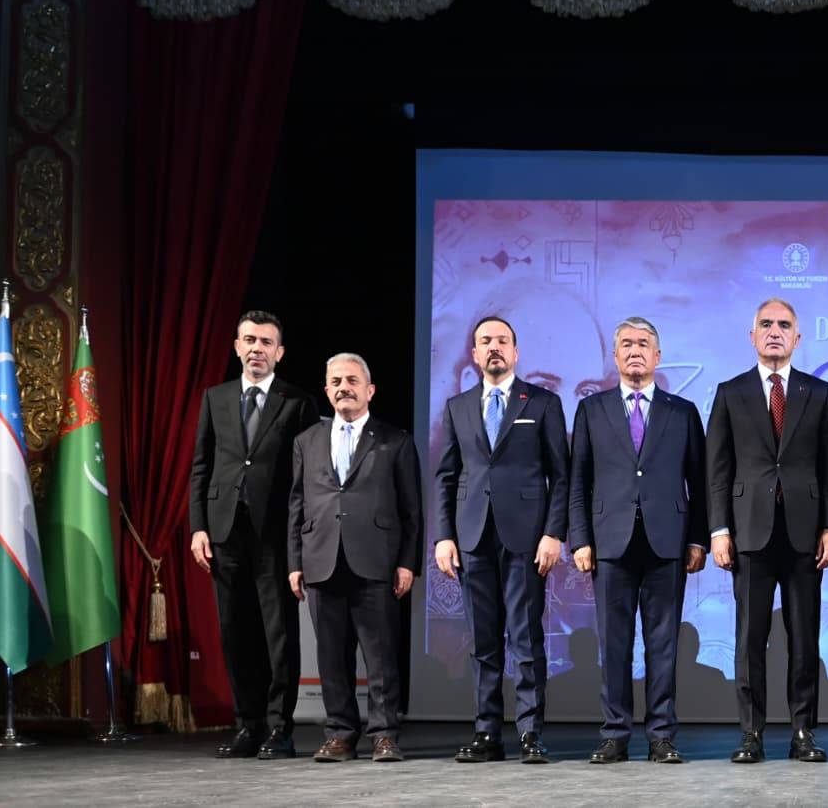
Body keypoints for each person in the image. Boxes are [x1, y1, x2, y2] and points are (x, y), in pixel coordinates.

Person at [705, 298, 828, 764]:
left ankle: (803, 731)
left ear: (797, 338)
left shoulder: (818, 392)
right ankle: (751, 733)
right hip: (749, 532)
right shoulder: (730, 392)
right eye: (766, 324)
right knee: (750, 639)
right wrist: (719, 529)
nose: (775, 331)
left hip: (806, 535)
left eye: (784, 325)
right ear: (752, 336)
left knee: (804, 639)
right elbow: (717, 469)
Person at [568, 317, 708, 765]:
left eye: (643, 344)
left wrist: (699, 539)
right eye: (626, 344)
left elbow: (699, 482)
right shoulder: (592, 410)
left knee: (663, 645)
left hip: (668, 542)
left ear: (657, 356)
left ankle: (661, 736)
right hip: (609, 543)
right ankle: (615, 734)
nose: (635, 351)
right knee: (614, 645)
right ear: (615, 356)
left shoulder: (682, 412)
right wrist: (580, 539)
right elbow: (578, 481)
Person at [434, 316, 570, 764]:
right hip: (472, 538)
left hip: (527, 539)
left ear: (515, 351)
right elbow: (447, 476)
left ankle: (530, 733)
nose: (494, 347)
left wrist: (554, 533)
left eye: (502, 341)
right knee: (483, 642)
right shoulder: (457, 406)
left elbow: (561, 476)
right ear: (474, 354)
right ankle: (487, 734)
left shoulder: (543, 402)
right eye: (485, 341)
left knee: (527, 639)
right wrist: (444, 536)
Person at [188, 310, 320, 760]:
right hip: (225, 532)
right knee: (235, 631)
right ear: (236, 346)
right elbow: (201, 467)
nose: (256, 349)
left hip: (276, 535)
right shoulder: (216, 397)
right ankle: (248, 725)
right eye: (249, 340)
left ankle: (280, 729)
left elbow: (308, 477)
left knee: (278, 635)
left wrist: (301, 539)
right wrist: (199, 527)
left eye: (265, 342)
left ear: (279, 352)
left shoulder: (297, 402)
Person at [288, 353, 422, 763]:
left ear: (370, 390)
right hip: (321, 559)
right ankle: (341, 734)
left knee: (380, 656)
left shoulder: (395, 440)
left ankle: (384, 734)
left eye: (351, 380)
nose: (343, 387)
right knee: (331, 656)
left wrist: (407, 562)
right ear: (326, 390)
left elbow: (412, 510)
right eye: (336, 381)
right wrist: (294, 562)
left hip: (376, 561)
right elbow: (297, 504)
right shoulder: (306, 441)